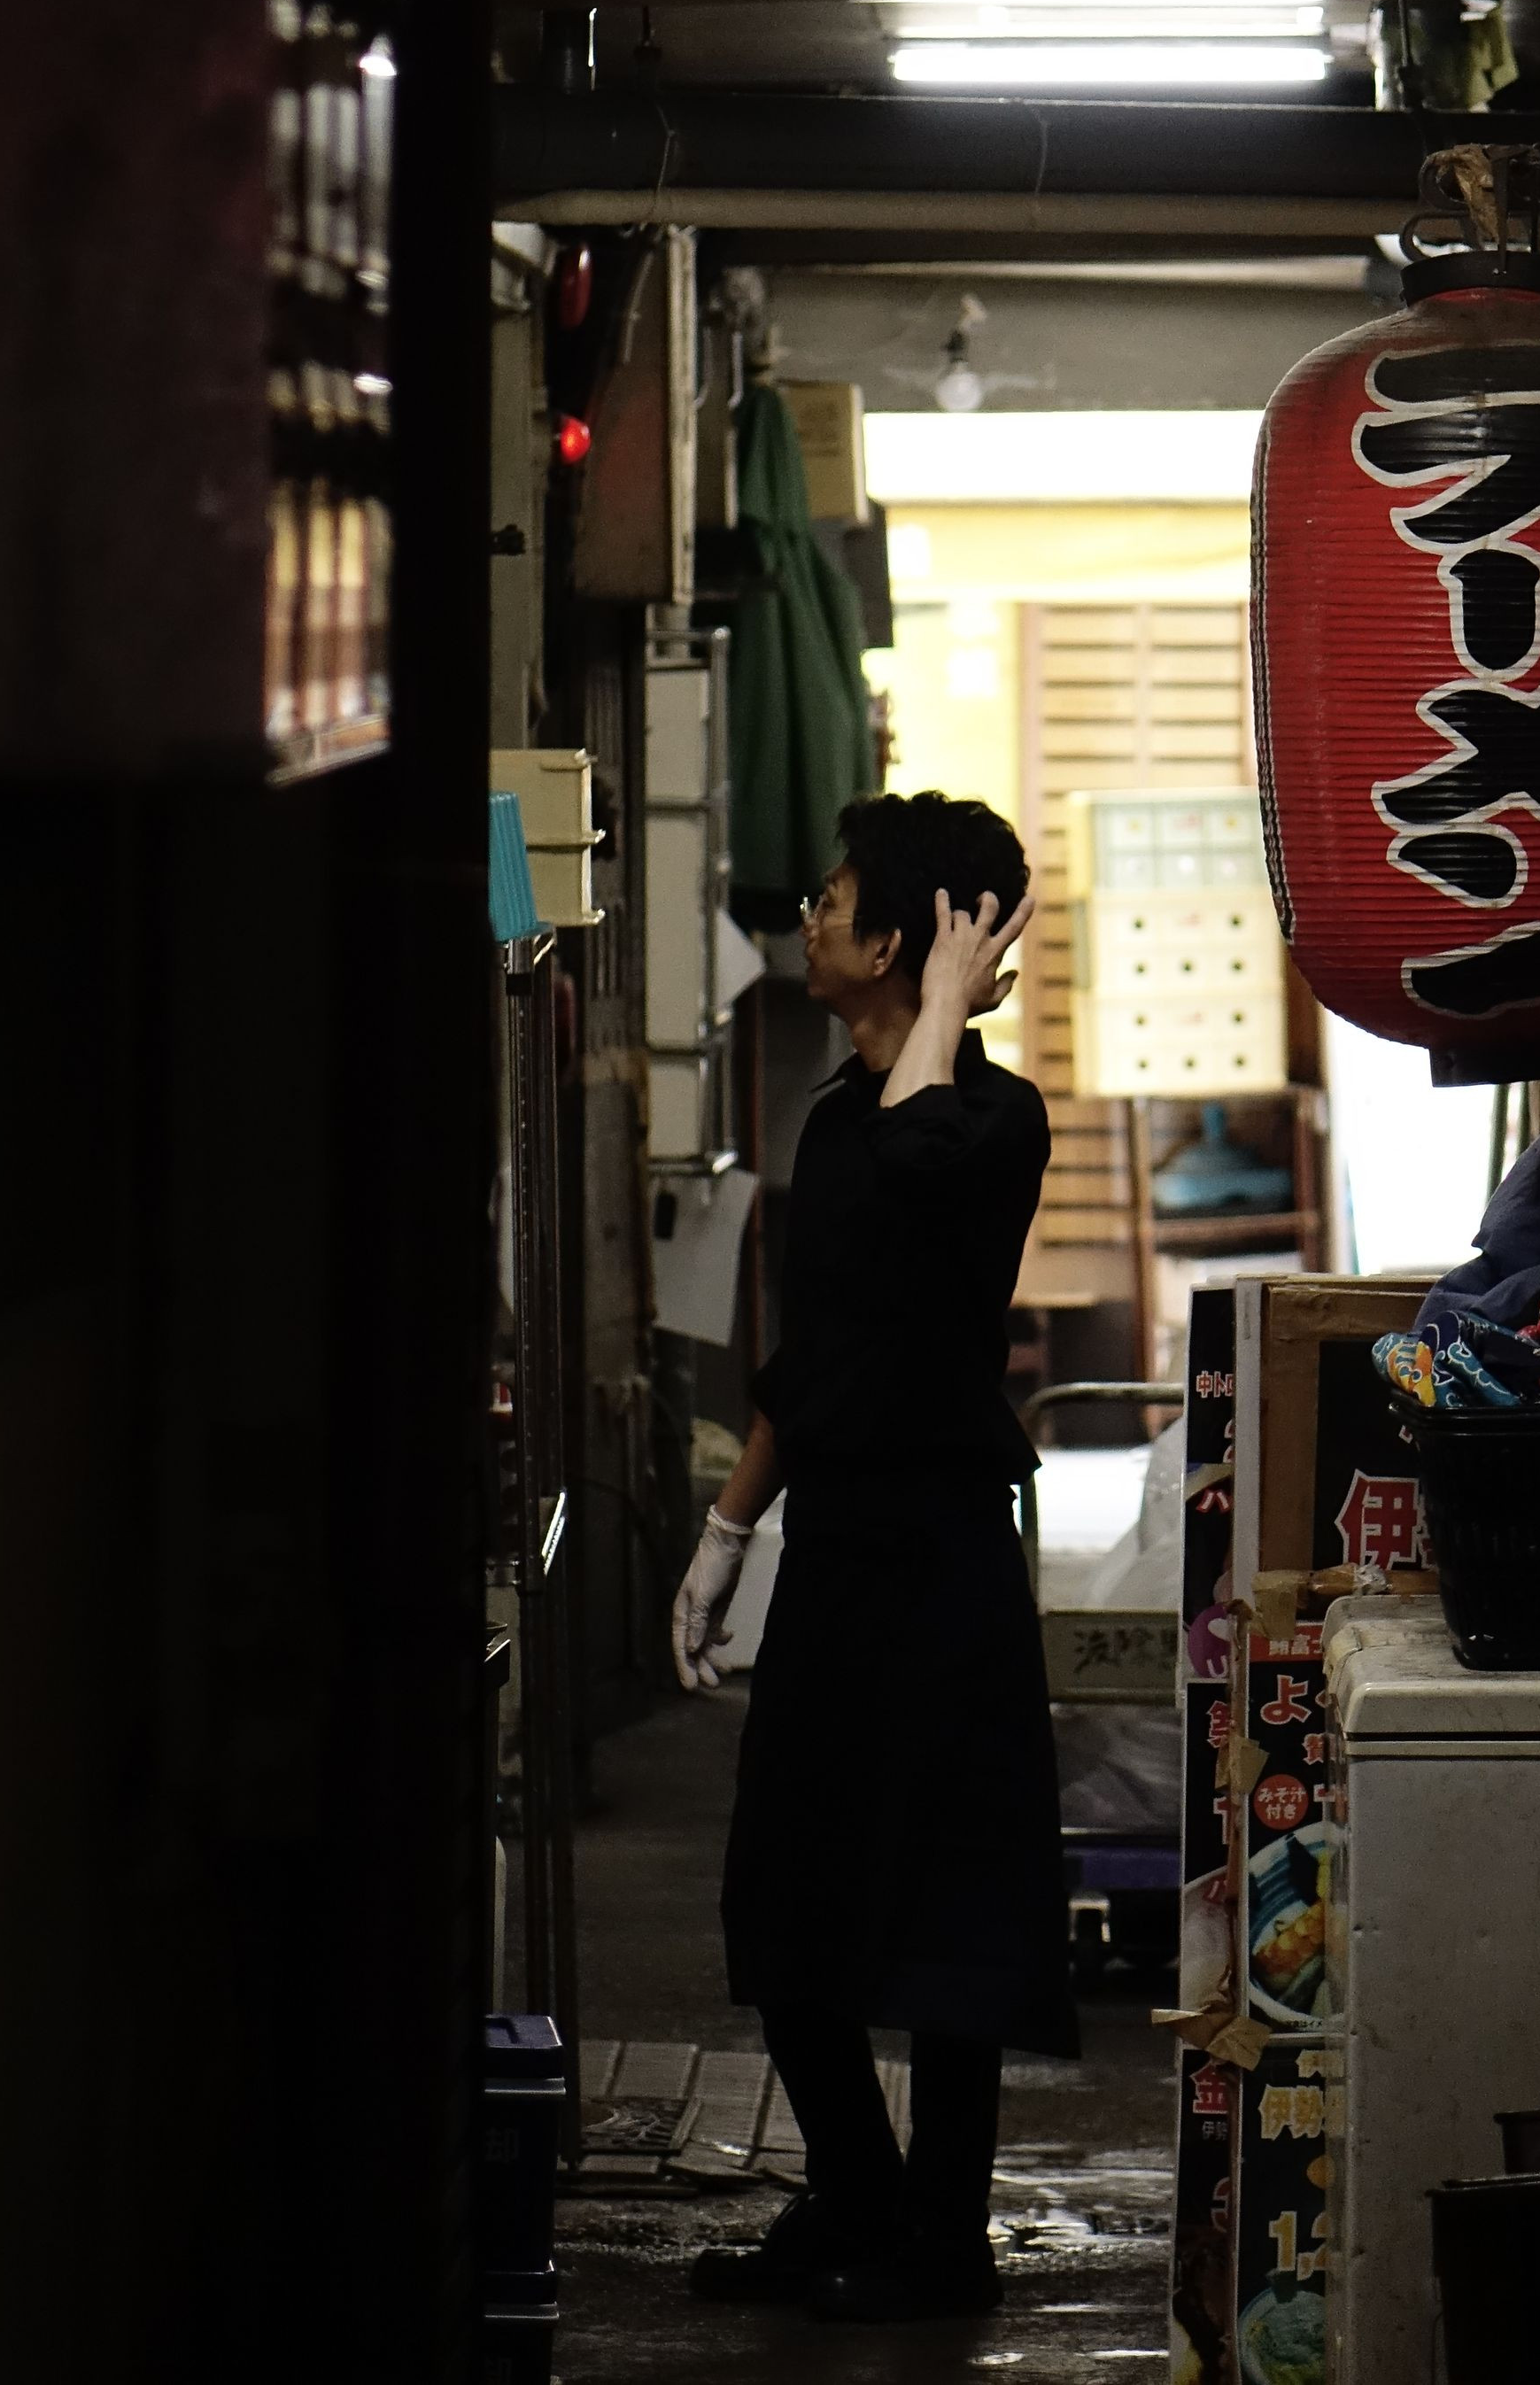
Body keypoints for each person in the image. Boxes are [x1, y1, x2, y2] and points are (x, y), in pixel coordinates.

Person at [670, 789, 1078, 2323]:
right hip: (839, 1550)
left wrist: (950, 1013)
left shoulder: (991, 1119)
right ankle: (853, 2192)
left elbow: (924, 1174)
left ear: (904, 942)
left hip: (945, 1561)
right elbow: (810, 1353)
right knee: (786, 1897)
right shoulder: (837, 1114)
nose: (809, 921)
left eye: (834, 903)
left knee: (949, 1905)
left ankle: (941, 2242)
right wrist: (728, 1529)